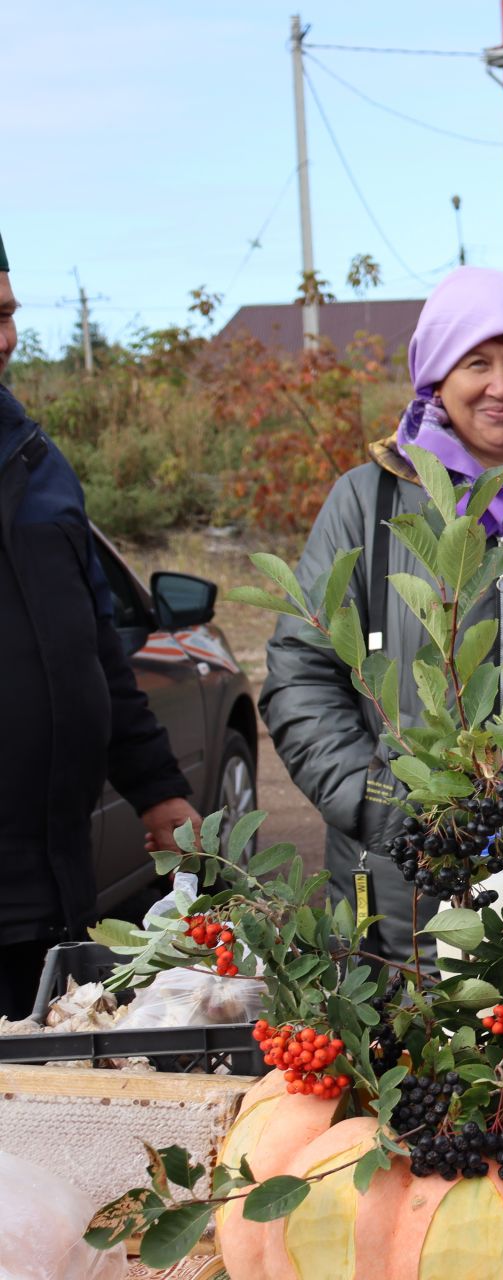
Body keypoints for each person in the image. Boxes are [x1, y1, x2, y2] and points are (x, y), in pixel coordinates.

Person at [262, 266, 503, 960]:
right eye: (476, 362)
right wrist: (377, 804)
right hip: (400, 891)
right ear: (437, 378)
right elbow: (301, 672)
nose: (501, 386)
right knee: (411, 1061)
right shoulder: (368, 504)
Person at [0, 231, 200, 1018]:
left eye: (9, 312)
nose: (4, 338)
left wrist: (156, 788)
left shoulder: (36, 463)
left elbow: (90, 649)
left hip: (49, 895)